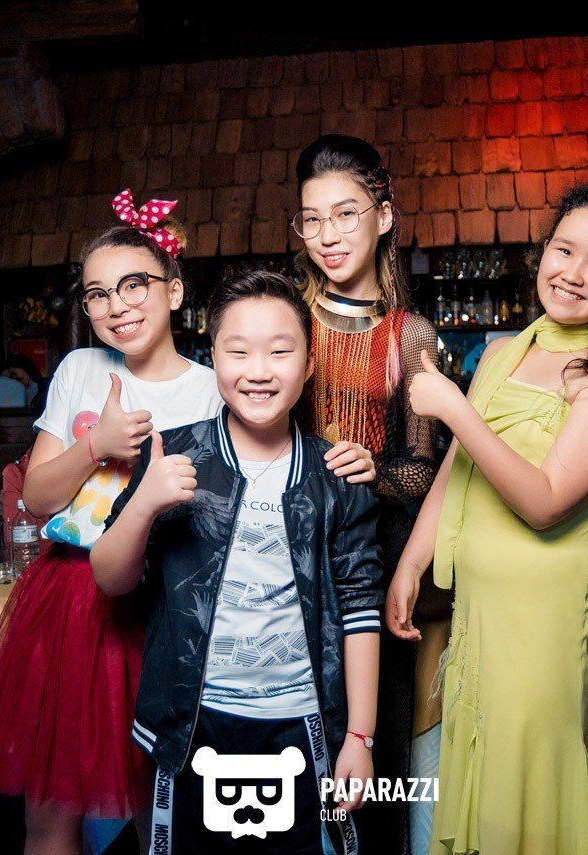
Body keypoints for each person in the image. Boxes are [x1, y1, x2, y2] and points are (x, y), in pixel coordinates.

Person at [388, 177, 588, 854]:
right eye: (564, 249)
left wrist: (453, 407)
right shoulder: (506, 350)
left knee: (530, 790)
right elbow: (459, 467)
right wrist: (411, 561)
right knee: (485, 775)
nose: (573, 272)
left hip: (544, 621)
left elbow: (545, 502)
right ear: (543, 250)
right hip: (480, 609)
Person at [0, 190, 222, 855]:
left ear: (174, 291)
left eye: (134, 284)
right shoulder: (79, 369)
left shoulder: (213, 387)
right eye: (98, 293)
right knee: (50, 813)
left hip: (167, 605)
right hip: (70, 604)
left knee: (164, 810)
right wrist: (97, 445)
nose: (116, 305)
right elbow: (38, 498)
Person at [93, 271, 383, 853]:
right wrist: (144, 503)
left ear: (309, 363)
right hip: (193, 719)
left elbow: (359, 609)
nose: (259, 370)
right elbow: (111, 579)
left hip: (304, 720)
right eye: (238, 350)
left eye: (280, 351)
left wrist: (361, 736)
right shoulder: (173, 452)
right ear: (213, 357)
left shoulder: (336, 473)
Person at [292, 133, 439, 854]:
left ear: (383, 215)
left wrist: (371, 469)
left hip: (378, 560)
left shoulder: (411, 336)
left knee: (376, 741)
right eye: (312, 219)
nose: (328, 235)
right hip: (290, 551)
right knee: (292, 737)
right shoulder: (286, 318)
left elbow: (424, 470)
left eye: (346, 213)